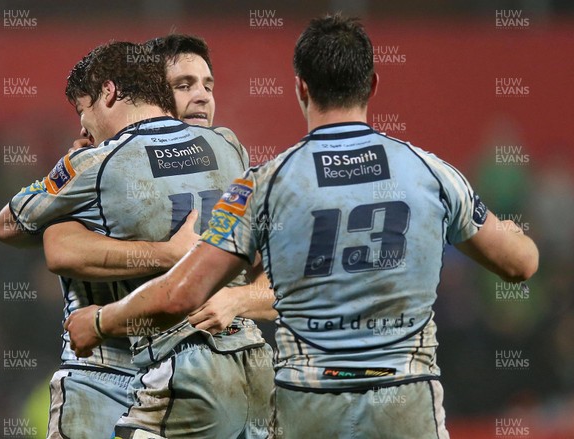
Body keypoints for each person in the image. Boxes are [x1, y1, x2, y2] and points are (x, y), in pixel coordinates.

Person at [65, 14, 539, 438]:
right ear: (373, 85)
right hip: (406, 400)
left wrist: (100, 320)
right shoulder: (432, 174)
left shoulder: (262, 186)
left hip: (308, 404)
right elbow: (521, 263)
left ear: (301, 88)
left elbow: (180, 295)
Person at [0, 39, 274, 439]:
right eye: (184, 85)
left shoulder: (95, 162)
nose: (200, 98)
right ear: (158, 91)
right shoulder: (232, 149)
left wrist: (231, 296)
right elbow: (60, 250)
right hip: (234, 365)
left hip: (126, 370)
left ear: (107, 93)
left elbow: (12, 228)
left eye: (208, 86)